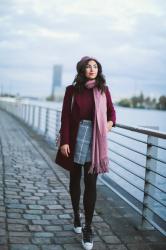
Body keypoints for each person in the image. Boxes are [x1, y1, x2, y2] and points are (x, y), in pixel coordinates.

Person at [55, 56, 116, 250]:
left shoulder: (103, 90)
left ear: (99, 70)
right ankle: (76, 217)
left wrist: (109, 123)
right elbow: (65, 116)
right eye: (88, 66)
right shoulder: (71, 91)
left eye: (95, 66)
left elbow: (111, 112)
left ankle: (88, 228)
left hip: (96, 140)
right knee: (75, 179)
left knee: (91, 182)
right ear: (82, 70)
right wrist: (64, 140)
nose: (92, 69)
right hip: (75, 138)